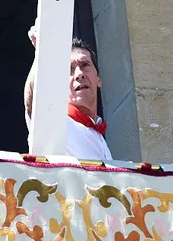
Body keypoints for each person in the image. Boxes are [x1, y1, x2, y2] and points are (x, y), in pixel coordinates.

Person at [24, 24, 112, 160]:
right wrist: (44, 53)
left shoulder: (98, 134)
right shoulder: (56, 123)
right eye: (69, 69)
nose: (79, 74)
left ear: (98, 79)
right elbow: (34, 100)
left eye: (85, 65)